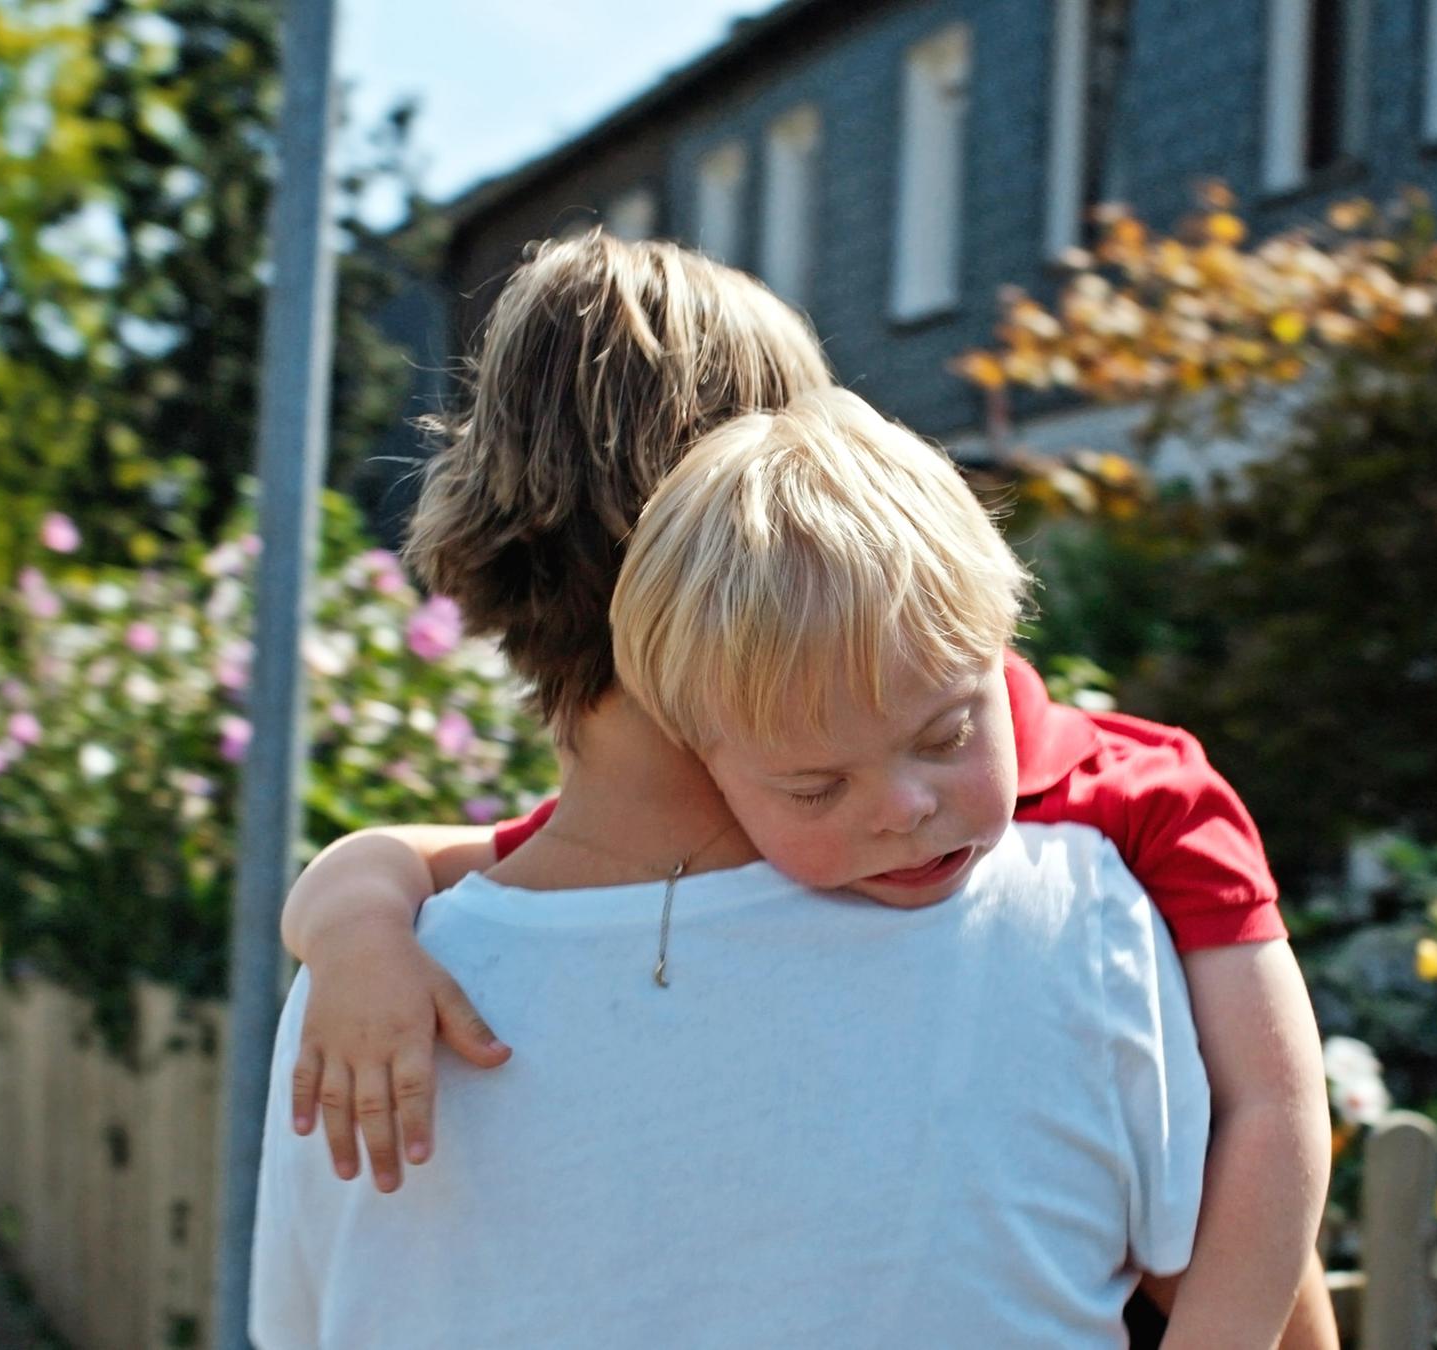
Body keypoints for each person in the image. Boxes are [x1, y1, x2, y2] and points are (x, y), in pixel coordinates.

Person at [279, 232, 1335, 1345]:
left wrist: (355, 935)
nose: (904, 809)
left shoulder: (1115, 816)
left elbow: (1276, 1121)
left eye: (942, 734)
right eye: (817, 784)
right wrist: (354, 914)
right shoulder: (1082, 913)